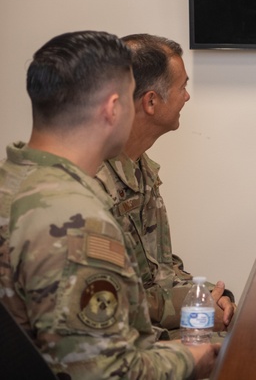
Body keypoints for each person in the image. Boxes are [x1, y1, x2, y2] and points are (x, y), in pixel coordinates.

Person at [0, 31, 217, 379]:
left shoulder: (14, 180)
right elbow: (108, 373)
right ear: (114, 108)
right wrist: (192, 358)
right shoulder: (76, 221)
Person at [94, 34, 235, 336]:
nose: (187, 96)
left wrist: (210, 297)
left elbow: (161, 269)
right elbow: (110, 301)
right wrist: (196, 309)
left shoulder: (140, 166)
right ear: (151, 101)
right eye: (182, 86)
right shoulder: (92, 183)